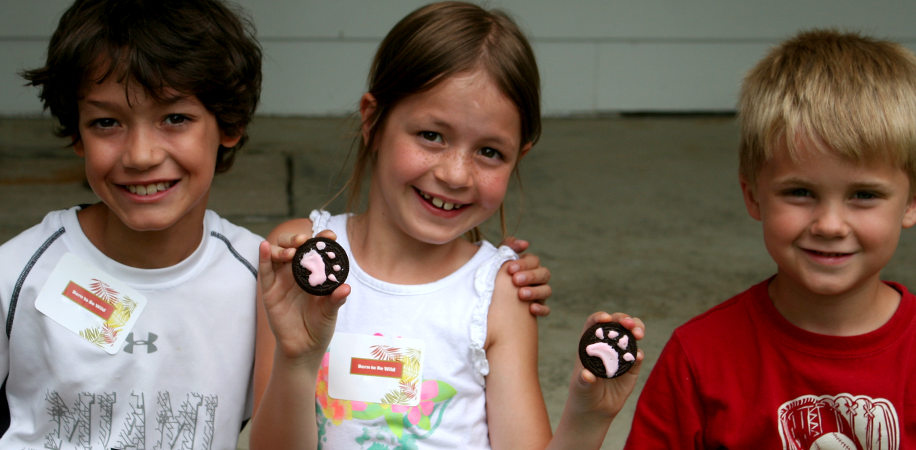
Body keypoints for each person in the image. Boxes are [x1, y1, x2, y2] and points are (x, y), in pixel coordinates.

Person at [0, 1, 552, 449]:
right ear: (75, 130)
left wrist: (491, 277)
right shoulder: (12, 278)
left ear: (230, 126)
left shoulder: (264, 270)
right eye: (107, 121)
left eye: (175, 118)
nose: (139, 155)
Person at [250, 3, 646, 450]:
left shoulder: (498, 295)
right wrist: (298, 360)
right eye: (432, 136)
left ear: (520, 157)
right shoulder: (299, 257)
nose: (456, 175)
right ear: (372, 122)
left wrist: (587, 417)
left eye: (490, 152)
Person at [625, 29, 916, 449]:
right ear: (754, 195)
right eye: (800, 192)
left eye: (863, 195)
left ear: (913, 202)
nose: (830, 225)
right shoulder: (699, 359)